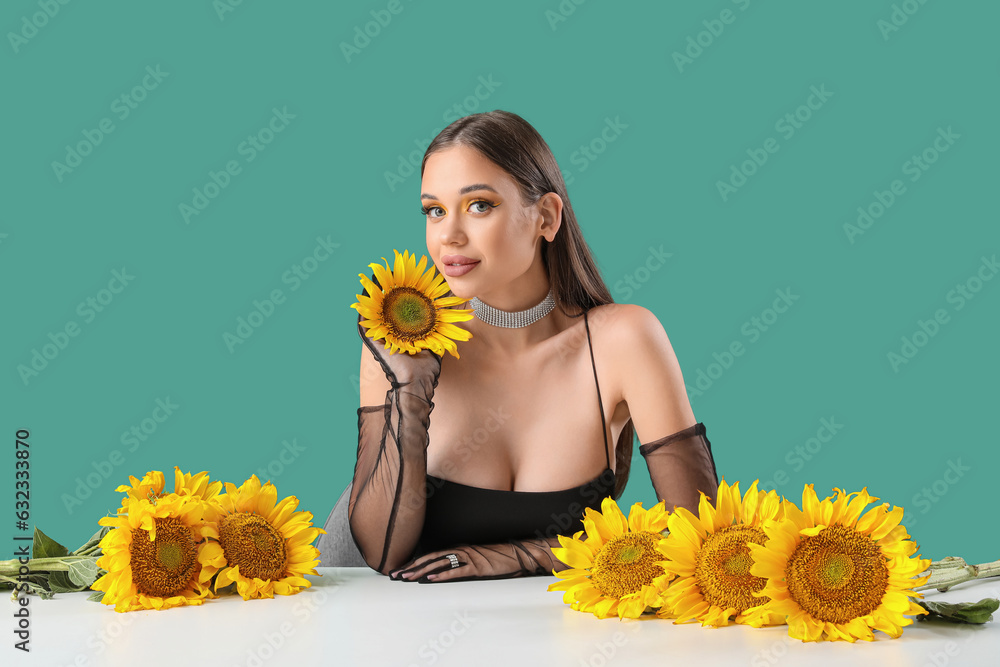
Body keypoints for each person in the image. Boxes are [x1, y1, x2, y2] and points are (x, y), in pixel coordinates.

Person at [347, 110, 718, 584]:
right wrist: (410, 394)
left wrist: (523, 556)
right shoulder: (401, 343)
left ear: (546, 217)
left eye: (479, 205)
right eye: (433, 210)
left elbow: (703, 540)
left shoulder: (625, 340)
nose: (448, 236)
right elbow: (382, 556)